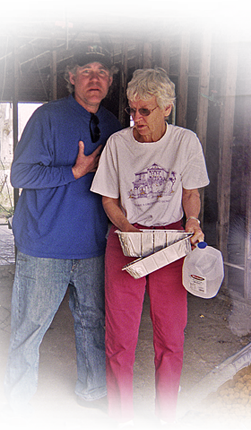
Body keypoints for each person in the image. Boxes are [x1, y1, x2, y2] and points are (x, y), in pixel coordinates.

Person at [2, 44, 122, 430]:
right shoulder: (47, 117)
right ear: (70, 78)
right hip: (44, 244)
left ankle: (92, 389)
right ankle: (17, 408)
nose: (94, 79)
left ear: (110, 81)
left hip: (92, 245)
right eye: (85, 71)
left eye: (101, 72)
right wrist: (74, 171)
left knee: (92, 321)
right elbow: (20, 175)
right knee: (29, 326)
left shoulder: (115, 125)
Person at [90, 68, 209, 430]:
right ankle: (123, 417)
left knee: (171, 335)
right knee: (121, 335)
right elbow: (109, 199)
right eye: (132, 110)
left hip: (171, 241)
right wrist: (129, 231)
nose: (136, 119)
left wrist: (192, 220)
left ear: (167, 109)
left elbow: (191, 193)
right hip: (127, 239)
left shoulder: (185, 142)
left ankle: (166, 416)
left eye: (145, 111)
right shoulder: (118, 144)